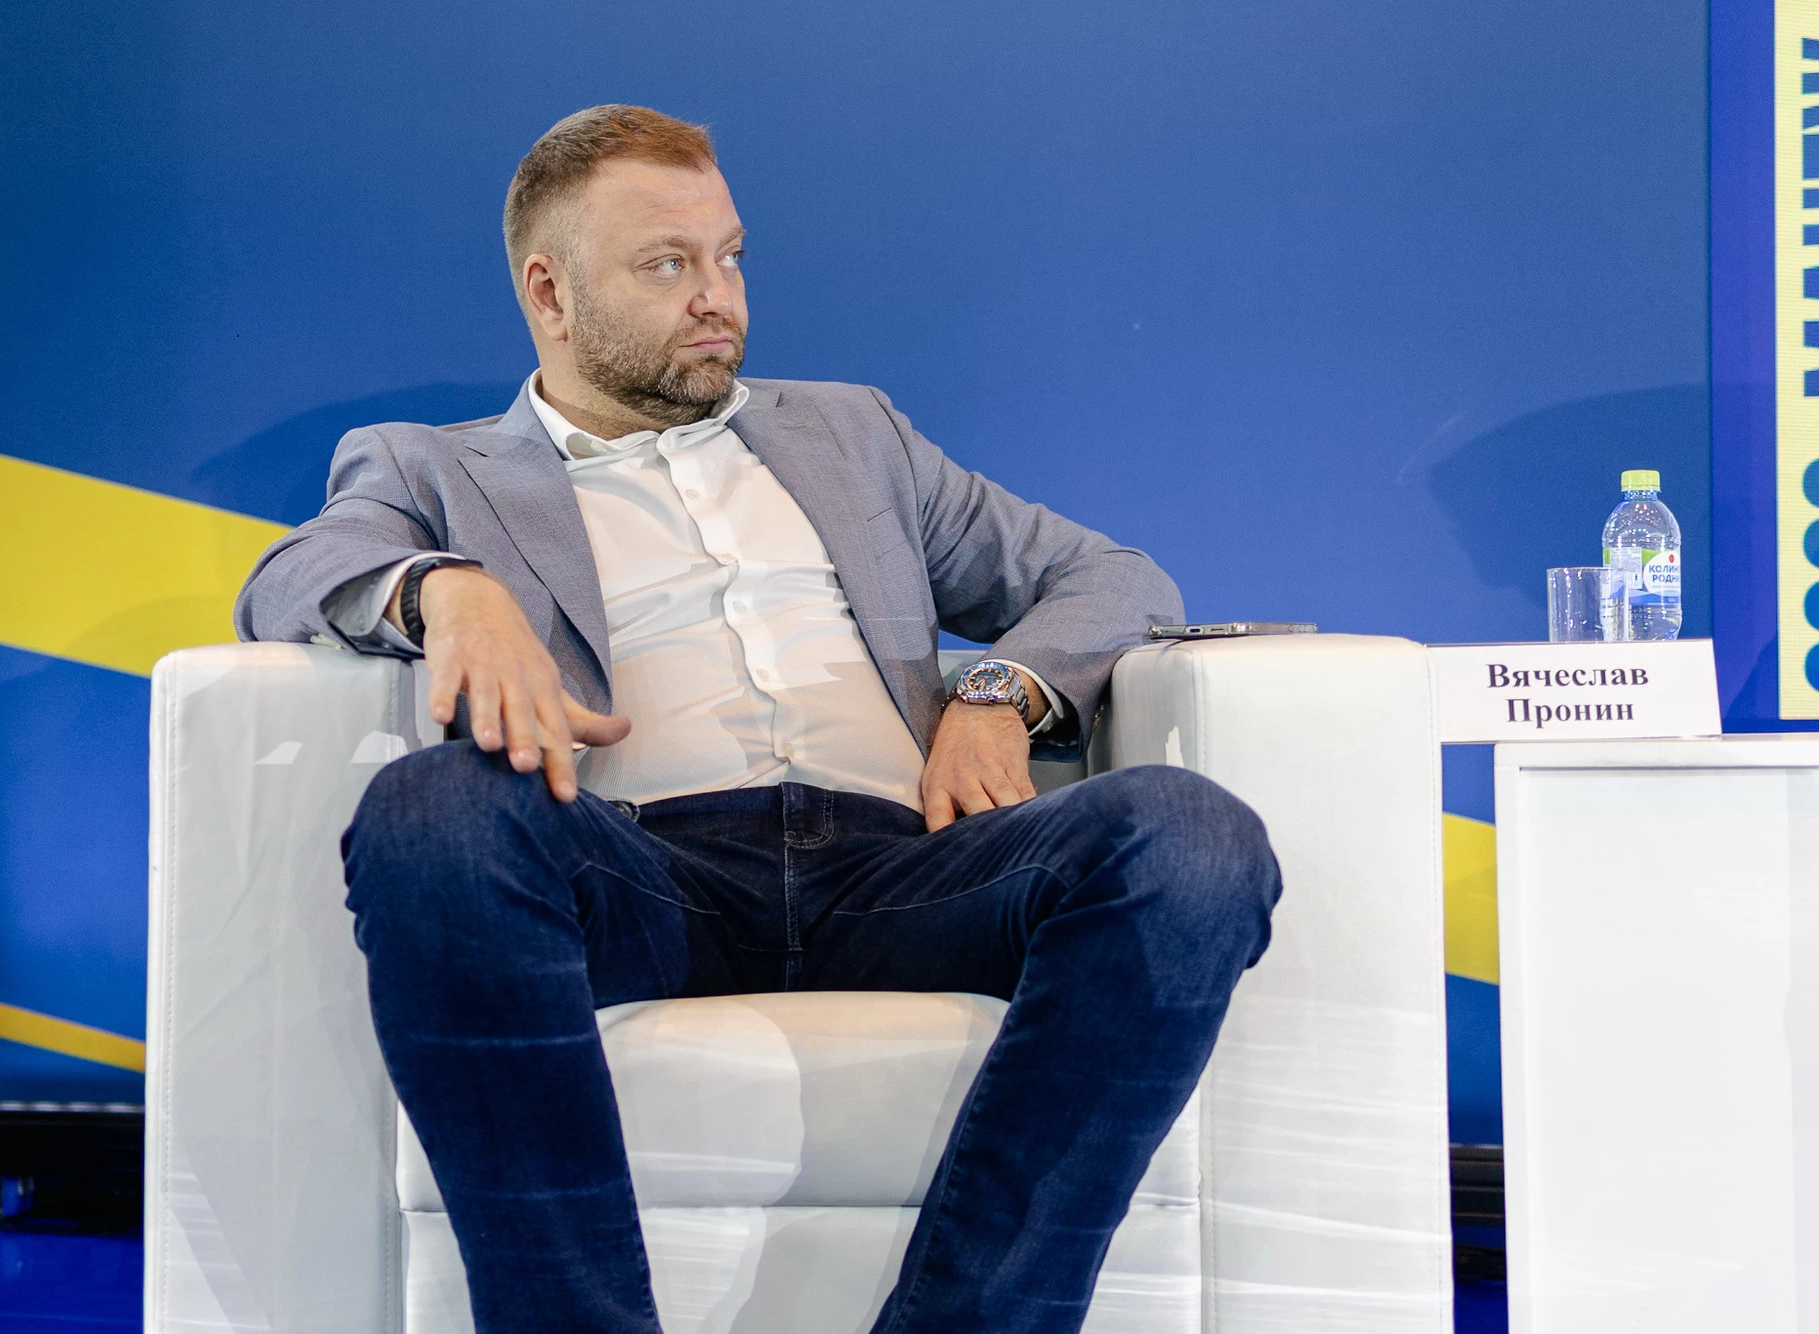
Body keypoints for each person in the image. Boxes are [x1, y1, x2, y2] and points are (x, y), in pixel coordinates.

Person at [236, 104, 1281, 1334]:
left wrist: (996, 694)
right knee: (431, 812)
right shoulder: (432, 466)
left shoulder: (852, 432)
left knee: (1189, 837)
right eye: (665, 264)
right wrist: (449, 590)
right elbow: (291, 576)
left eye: (728, 256)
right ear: (550, 293)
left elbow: (1110, 576)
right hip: (641, 876)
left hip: (903, 871)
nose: (716, 297)